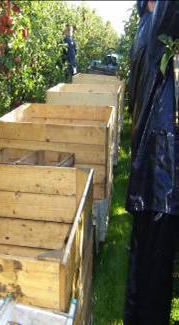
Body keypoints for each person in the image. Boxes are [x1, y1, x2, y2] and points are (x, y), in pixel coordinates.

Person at [124, 1, 179, 324]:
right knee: (154, 278)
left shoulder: (144, 28)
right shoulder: (158, 25)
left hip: (150, 172)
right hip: (163, 175)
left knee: (142, 269)